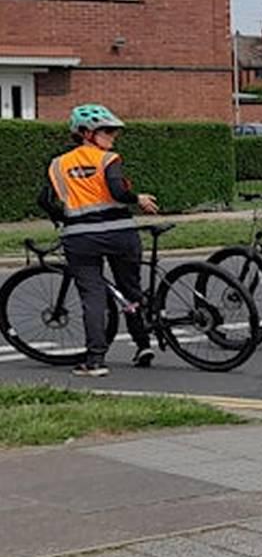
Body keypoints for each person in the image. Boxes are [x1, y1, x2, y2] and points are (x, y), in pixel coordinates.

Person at [39, 104, 159, 376]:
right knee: (131, 289)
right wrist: (136, 198)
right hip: (120, 234)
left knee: (92, 297)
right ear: (85, 133)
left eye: (114, 131)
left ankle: (95, 361)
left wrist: (63, 217)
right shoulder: (108, 160)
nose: (113, 135)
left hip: (80, 239)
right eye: (107, 130)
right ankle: (143, 345)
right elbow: (117, 191)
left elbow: (44, 200)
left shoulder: (58, 165)